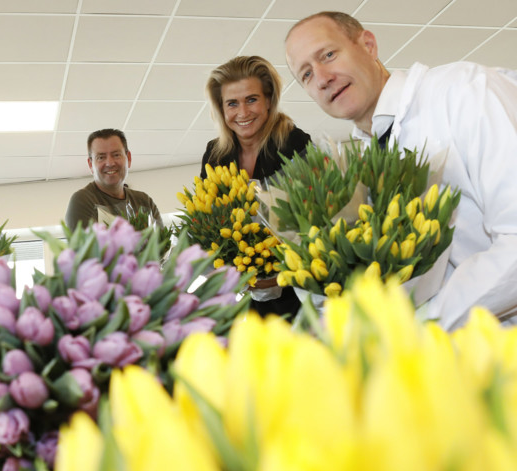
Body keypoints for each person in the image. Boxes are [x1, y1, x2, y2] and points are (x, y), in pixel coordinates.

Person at [285, 11, 517, 330]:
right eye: (306, 75)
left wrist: (419, 324)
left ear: (368, 45)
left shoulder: (463, 91)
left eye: (328, 54)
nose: (322, 78)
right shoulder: (357, 172)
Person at [202, 55, 311, 320]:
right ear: (221, 108)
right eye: (232, 103)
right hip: (247, 293)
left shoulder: (295, 144)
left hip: (302, 289)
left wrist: (281, 274)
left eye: (252, 99)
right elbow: (210, 224)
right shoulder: (215, 156)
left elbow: (317, 218)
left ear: (269, 100)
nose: (243, 113)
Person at [65, 128, 162, 230]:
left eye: (116, 155)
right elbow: (84, 245)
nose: (110, 163)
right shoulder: (83, 201)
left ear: (128, 158)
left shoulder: (144, 201)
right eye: (101, 157)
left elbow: (161, 242)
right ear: (90, 164)